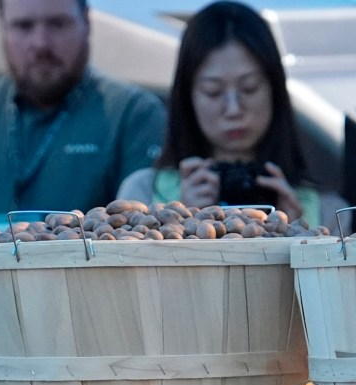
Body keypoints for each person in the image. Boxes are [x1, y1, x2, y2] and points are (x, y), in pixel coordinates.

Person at [0, 0, 167, 238]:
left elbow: (143, 240)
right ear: (2, 26)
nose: (41, 43)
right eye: (24, 26)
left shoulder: (135, 115)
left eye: (57, 24)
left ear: (86, 21)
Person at [115, 2, 327, 225]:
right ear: (187, 98)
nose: (234, 109)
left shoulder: (325, 209)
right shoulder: (142, 195)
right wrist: (181, 223)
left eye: (250, 87)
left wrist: (300, 236)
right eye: (213, 92)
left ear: (275, 89)